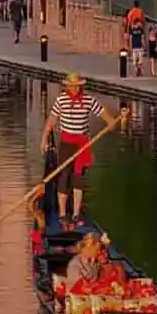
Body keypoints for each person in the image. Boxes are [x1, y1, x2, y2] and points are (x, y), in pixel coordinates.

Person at [39, 72, 119, 226]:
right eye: (72, 86)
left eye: (77, 86)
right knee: (63, 177)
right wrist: (44, 138)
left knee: (78, 179)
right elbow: (52, 120)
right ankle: (62, 214)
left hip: (82, 144)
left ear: (80, 86)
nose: (74, 89)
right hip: (66, 143)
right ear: (68, 86)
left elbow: (103, 113)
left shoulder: (88, 100)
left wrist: (111, 122)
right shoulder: (61, 100)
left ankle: (76, 214)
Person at [128, 9, 145, 76]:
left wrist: (144, 46)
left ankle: (139, 70)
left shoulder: (140, 30)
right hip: (135, 47)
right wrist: (130, 47)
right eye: (139, 23)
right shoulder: (132, 30)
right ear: (136, 23)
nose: (140, 24)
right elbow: (130, 38)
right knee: (135, 61)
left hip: (139, 47)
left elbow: (142, 38)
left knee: (140, 61)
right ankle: (137, 71)